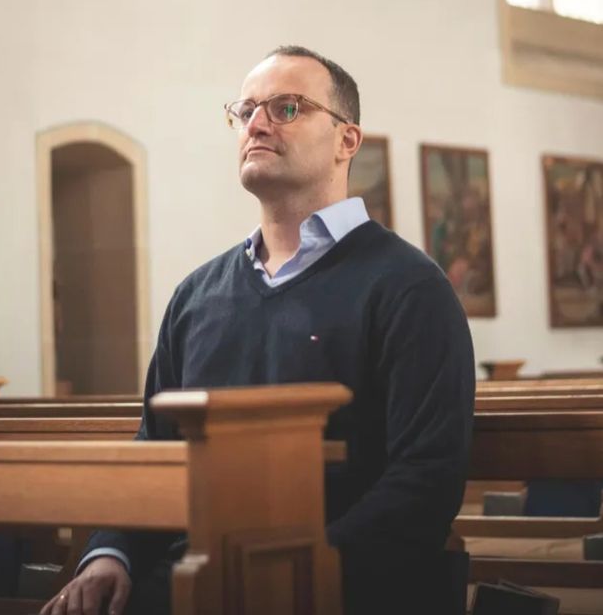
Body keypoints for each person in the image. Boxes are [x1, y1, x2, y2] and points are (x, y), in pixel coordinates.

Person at [41, 45, 475, 615]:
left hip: (340, 590)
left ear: (348, 140)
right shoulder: (196, 296)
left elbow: (425, 480)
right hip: (189, 584)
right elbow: (157, 450)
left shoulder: (410, 288)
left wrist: (287, 579)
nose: (257, 124)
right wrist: (110, 553)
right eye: (245, 111)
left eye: (287, 108)